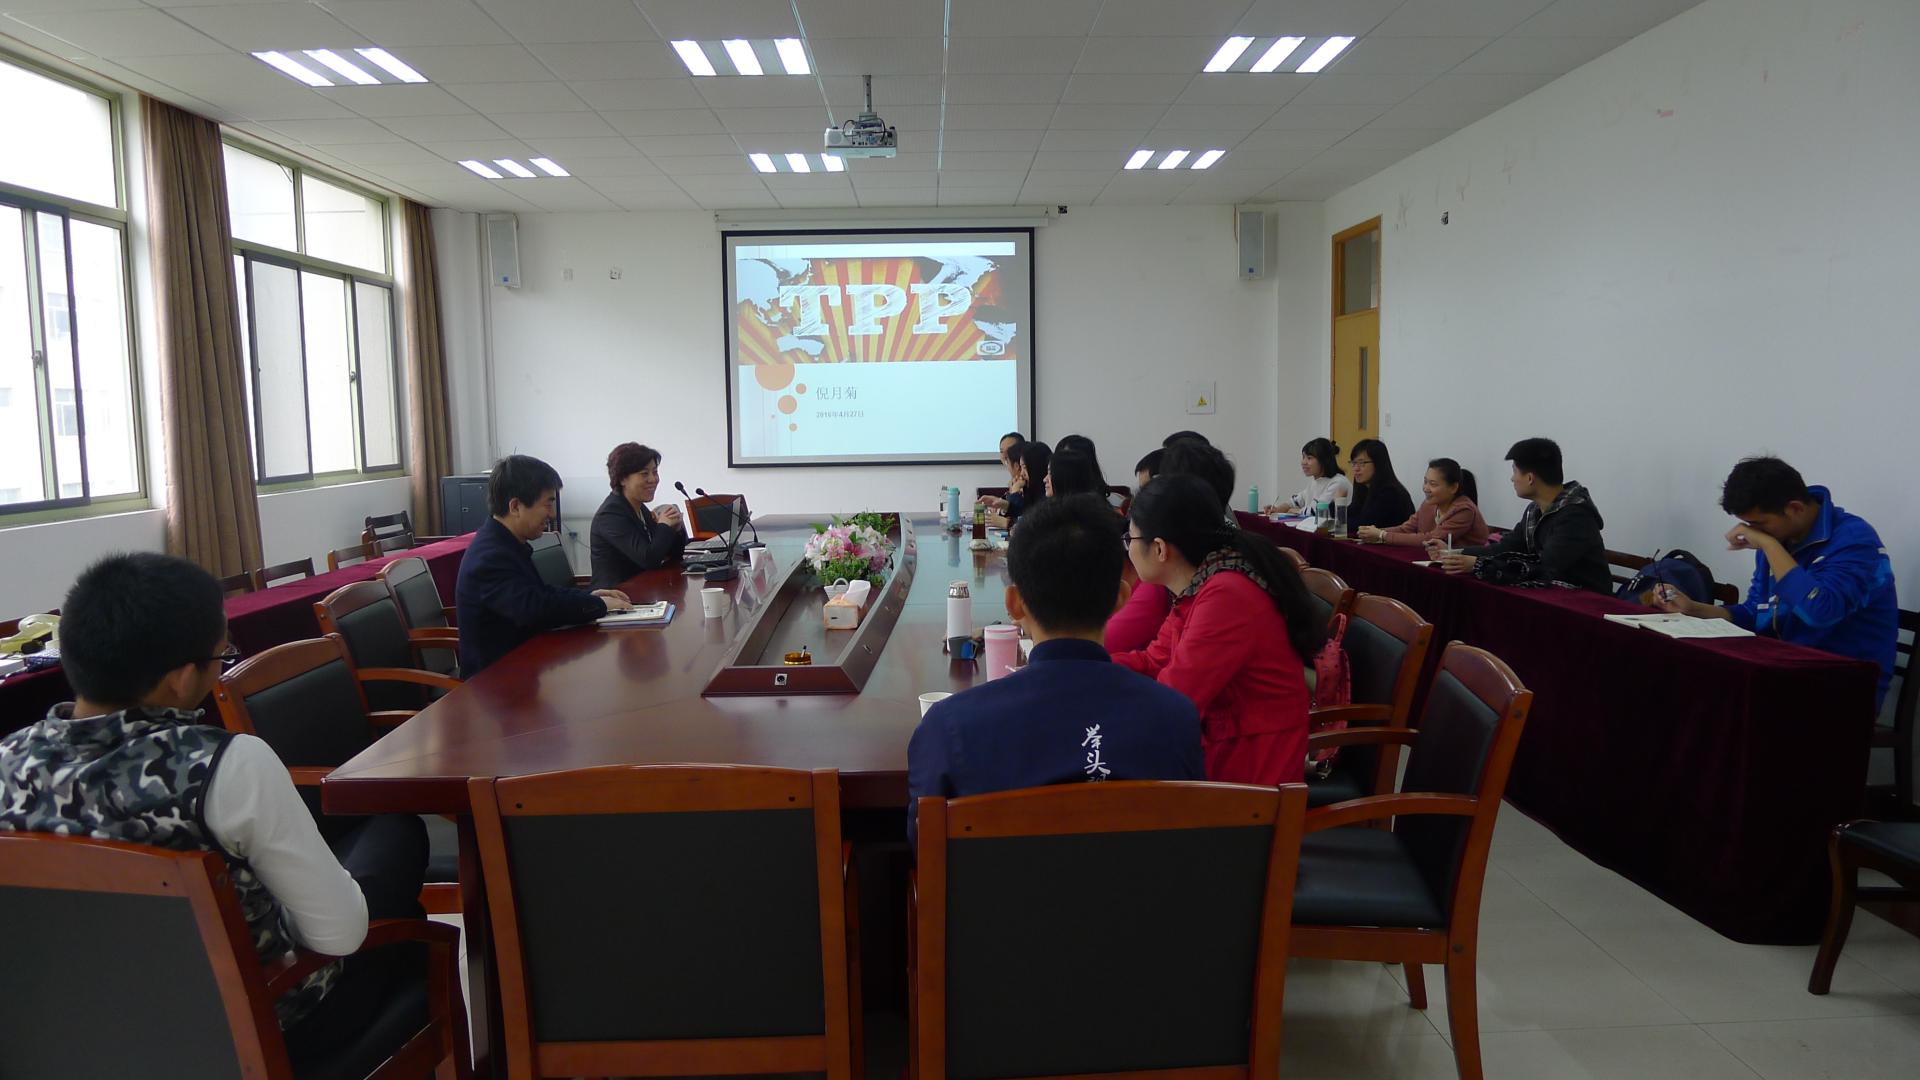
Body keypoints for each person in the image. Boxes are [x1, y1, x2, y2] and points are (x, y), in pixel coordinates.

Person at [0, 553, 427, 1056]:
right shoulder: (226, 764)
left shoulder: (8, 761)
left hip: (75, 1039)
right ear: (182, 678)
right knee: (398, 855)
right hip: (249, 1036)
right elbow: (339, 936)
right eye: (220, 657)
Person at [907, 494, 1203, 846]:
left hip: (1004, 885)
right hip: (1142, 884)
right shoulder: (1176, 718)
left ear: (1014, 604)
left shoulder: (948, 726)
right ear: (1120, 598)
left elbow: (924, 847)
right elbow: (1187, 842)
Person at [1113, 475, 1319, 787]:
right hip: (1223, 755)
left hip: (1252, 778)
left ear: (1159, 549)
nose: (1128, 550)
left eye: (1130, 539)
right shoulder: (1199, 585)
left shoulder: (1226, 595)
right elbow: (1154, 661)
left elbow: (1174, 699)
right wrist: (1084, 666)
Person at [1653, 457, 1899, 708]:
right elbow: (1754, 613)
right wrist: (1693, 608)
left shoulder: (1855, 541)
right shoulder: (1780, 538)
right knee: (1677, 687)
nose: (1751, 532)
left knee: (1710, 706)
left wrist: (1769, 545)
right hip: (1782, 669)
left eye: (1758, 524)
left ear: (1794, 508)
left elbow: (1820, 612)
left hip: (1844, 686)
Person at [456, 454, 634, 675]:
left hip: (524, 663)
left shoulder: (505, 542)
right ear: (515, 506)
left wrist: (590, 596)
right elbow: (536, 609)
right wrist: (599, 605)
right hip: (495, 681)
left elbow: (539, 594)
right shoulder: (490, 556)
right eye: (547, 503)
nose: (552, 513)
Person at [1434, 437, 1611, 592]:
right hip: (1553, 596)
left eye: (1514, 471)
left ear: (1530, 478)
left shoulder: (1576, 517)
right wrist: (1454, 552)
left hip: (1586, 602)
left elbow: (1545, 566)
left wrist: (1478, 565)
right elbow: (1506, 548)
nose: (1512, 478)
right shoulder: (1534, 510)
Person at [590, 442, 687, 589]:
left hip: (641, 588)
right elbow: (649, 559)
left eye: (655, 472)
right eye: (644, 474)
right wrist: (664, 526)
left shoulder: (639, 507)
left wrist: (675, 529)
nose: (653, 479)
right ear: (622, 479)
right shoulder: (610, 515)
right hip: (615, 595)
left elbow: (670, 554)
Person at [1363, 457, 1490, 549]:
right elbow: (1406, 529)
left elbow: (1430, 538)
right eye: (1425, 482)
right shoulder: (1429, 504)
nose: (1426, 488)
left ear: (1453, 488)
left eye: (1433, 484)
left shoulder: (1464, 510)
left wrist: (1382, 535)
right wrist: (1373, 532)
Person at [1345, 438, 1415, 535]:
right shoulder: (1364, 488)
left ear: (1378, 463)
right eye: (1353, 463)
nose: (1356, 468)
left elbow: (1365, 524)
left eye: (1361, 463)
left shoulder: (1390, 493)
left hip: (1394, 543)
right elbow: (1353, 512)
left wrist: (1338, 522)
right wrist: (1335, 508)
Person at [1268, 437, 1351, 513]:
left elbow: (1317, 511)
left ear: (1324, 460)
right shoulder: (1315, 481)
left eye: (1309, 458)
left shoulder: (1339, 482)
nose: (1303, 462)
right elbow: (1295, 501)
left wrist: (1295, 511)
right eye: (1303, 457)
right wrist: (1277, 509)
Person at [1002, 440, 1052, 528]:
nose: (1022, 473)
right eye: (1021, 467)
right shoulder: (1031, 490)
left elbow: (1029, 522)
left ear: (1035, 468)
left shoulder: (1047, 496)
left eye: (1024, 467)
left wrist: (1008, 523)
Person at [978, 431, 1026, 511]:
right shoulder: (1013, 480)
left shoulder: (1024, 483)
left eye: (1009, 450)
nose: (1004, 455)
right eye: (1001, 451)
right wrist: (998, 503)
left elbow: (1020, 512)